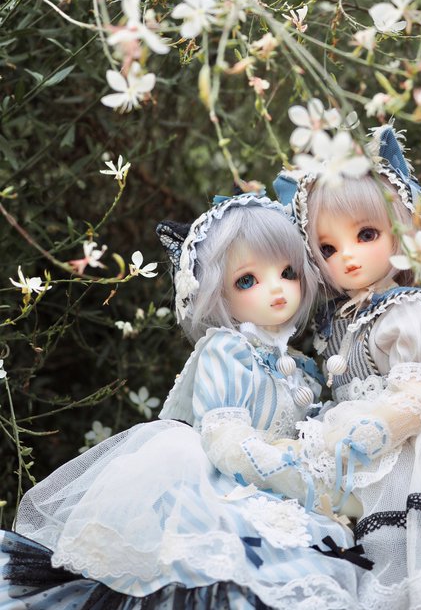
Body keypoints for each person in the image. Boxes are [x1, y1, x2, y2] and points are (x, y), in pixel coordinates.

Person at [0, 192, 363, 610]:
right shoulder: (228, 351)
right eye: (247, 280)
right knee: (227, 574)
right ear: (217, 294)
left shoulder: (299, 367)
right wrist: (300, 473)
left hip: (281, 491)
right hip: (226, 486)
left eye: (288, 272)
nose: (277, 288)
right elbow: (227, 442)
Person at [274, 124, 421, 610]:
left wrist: (345, 440)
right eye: (328, 249)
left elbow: (415, 403)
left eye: (366, 234)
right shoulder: (338, 321)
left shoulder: (409, 315)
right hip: (363, 470)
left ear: (403, 231)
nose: (348, 257)